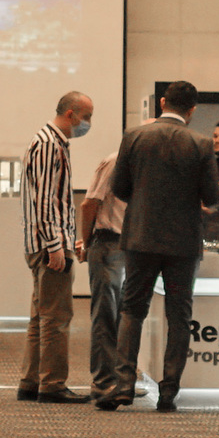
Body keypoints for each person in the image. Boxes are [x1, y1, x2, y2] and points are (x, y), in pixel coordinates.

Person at [100, 80, 219, 412]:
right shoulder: (201, 143)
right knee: (179, 315)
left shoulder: (134, 136)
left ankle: (123, 384)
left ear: (163, 102)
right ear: (192, 110)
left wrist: (143, 200)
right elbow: (212, 197)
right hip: (183, 242)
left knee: (131, 310)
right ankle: (168, 391)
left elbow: (119, 188)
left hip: (140, 236)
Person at [19, 91, 94, 403]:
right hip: (48, 244)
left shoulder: (50, 142)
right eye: (86, 117)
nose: (88, 124)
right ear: (71, 114)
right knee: (56, 318)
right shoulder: (49, 143)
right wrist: (55, 245)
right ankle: (52, 384)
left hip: (46, 241)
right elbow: (45, 200)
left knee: (41, 316)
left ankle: (31, 381)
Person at [77, 151, 127, 401]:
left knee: (123, 317)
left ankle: (120, 381)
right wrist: (87, 243)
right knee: (106, 315)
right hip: (109, 243)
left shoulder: (141, 160)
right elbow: (89, 204)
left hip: (131, 246)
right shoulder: (114, 161)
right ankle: (104, 382)